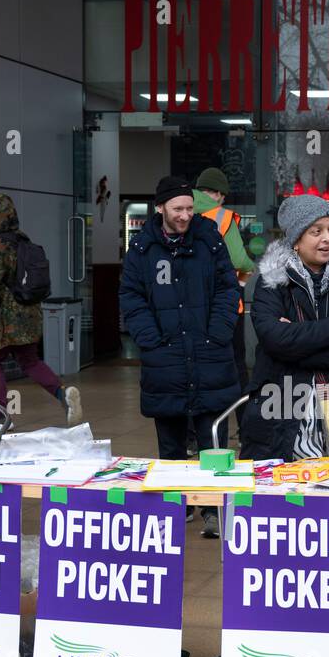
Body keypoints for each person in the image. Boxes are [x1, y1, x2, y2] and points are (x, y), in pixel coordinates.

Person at [119, 175, 240, 538]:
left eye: (189, 208)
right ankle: (177, 505)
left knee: (213, 438)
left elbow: (226, 288)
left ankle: (214, 509)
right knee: (170, 440)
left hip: (209, 354)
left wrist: (218, 333)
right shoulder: (141, 249)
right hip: (165, 356)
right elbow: (131, 298)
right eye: (178, 209)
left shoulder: (209, 240)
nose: (186, 215)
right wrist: (150, 341)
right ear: (160, 209)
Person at [241, 194, 329, 461]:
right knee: (284, 495)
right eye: (316, 232)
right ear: (296, 240)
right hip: (282, 406)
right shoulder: (272, 280)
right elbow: (275, 339)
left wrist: (297, 349)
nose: (327, 238)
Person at [0, 194, 82, 424]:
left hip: (0, 318)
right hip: (28, 313)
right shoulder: (23, 241)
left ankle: (0, 418)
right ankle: (63, 394)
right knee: (30, 361)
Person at [194, 167, 254, 416]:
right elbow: (240, 260)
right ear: (218, 194)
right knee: (235, 363)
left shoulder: (178, 212)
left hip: (190, 304)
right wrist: (244, 277)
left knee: (196, 366)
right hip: (224, 304)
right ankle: (243, 426)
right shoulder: (221, 217)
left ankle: (194, 432)